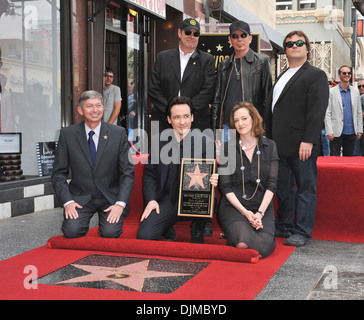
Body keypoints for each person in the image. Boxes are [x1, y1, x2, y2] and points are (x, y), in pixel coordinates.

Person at [265, 30, 329, 247]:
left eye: (299, 43)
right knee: (284, 188)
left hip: (302, 144)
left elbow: (316, 111)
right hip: (279, 144)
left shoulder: (315, 75)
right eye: (289, 43)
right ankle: (284, 225)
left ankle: (302, 231)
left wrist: (309, 140)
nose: (294, 46)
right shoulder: (283, 75)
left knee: (306, 188)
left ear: (307, 48)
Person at [52, 90, 135, 238]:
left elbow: (128, 172)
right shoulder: (68, 135)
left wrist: (120, 204)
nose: (95, 110)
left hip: (110, 197)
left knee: (110, 233)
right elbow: (59, 173)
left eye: (98, 105)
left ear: (103, 108)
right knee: (72, 231)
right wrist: (68, 202)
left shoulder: (118, 133)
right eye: (89, 106)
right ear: (80, 110)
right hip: (80, 196)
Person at [136, 96, 218, 243]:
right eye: (177, 117)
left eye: (186, 116)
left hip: (194, 198)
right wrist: (152, 200)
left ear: (192, 117)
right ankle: (167, 226)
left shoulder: (205, 143)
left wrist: (212, 178)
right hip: (167, 198)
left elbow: (208, 175)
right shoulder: (158, 142)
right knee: (145, 236)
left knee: (211, 197)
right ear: (169, 119)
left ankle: (198, 229)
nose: (182, 122)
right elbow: (149, 174)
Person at [218, 102, 278, 258]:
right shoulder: (227, 148)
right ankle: (239, 232)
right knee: (243, 243)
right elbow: (226, 188)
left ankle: (261, 235)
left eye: (244, 118)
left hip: (261, 206)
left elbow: (272, 185)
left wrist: (259, 213)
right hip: (235, 207)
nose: (240, 123)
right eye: (236, 120)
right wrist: (245, 213)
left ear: (253, 119)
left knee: (264, 247)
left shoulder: (270, 146)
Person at [149, 18, 215, 132]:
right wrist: (172, 112)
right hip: (164, 122)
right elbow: (153, 89)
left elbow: (208, 90)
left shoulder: (207, 60)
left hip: (196, 124)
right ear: (179, 33)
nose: (192, 36)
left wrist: (186, 113)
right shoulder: (162, 58)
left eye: (196, 34)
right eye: (188, 32)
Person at [211, 20, 272, 140]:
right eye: (235, 36)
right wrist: (215, 131)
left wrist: (264, 129)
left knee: (251, 159)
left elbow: (267, 99)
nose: (239, 39)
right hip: (227, 128)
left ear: (250, 38)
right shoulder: (224, 65)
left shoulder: (262, 62)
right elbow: (217, 101)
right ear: (230, 39)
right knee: (228, 159)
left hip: (251, 126)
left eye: (243, 35)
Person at [324, 66, 363, 156]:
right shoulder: (332, 92)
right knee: (334, 159)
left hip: (351, 131)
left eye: (349, 73)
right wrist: (329, 131)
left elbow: (358, 112)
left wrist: (359, 130)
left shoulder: (355, 92)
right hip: (336, 132)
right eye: (344, 73)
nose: (347, 75)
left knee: (349, 160)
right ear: (339, 75)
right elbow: (327, 113)